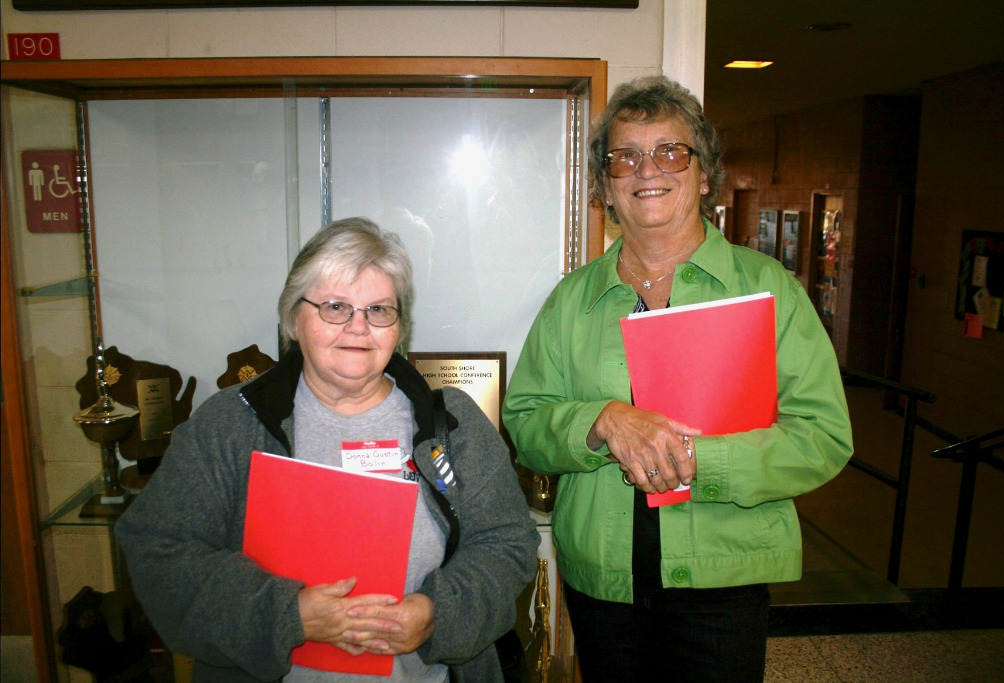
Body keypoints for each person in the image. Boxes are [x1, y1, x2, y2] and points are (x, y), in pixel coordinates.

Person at [502, 75, 853, 682]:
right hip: (602, 578)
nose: (647, 170)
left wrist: (698, 460)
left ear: (706, 175)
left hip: (724, 577)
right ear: (605, 189)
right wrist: (601, 421)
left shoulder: (768, 290)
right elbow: (526, 422)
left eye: (670, 151)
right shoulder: (571, 301)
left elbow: (823, 436)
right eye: (625, 157)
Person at [116, 217, 539, 682]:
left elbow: (509, 543)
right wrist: (285, 615)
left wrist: (438, 612)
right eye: (335, 307)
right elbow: (158, 551)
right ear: (293, 319)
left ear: (400, 325)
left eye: (379, 310)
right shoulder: (231, 424)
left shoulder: (451, 423)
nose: (358, 327)